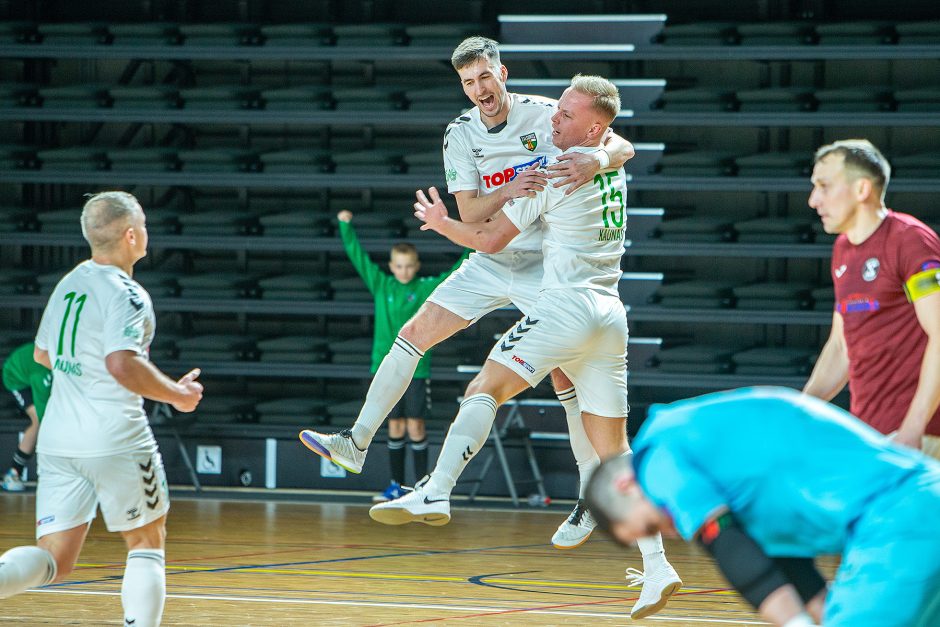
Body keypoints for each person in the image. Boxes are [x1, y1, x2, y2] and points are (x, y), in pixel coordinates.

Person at [301, 35, 637, 549]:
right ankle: (356, 441)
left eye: (485, 76)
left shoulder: (549, 114)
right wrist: (509, 187)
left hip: (545, 263)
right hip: (490, 255)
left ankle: (586, 497)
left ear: (502, 74)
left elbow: (618, 142)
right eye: (467, 82)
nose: (479, 88)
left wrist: (598, 160)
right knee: (415, 332)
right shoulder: (459, 134)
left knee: (568, 383)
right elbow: (472, 215)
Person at [370, 75, 681, 620]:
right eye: (556, 110)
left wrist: (442, 223)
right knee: (616, 454)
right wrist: (602, 154)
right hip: (610, 315)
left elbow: (489, 240)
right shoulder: (606, 162)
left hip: (565, 308)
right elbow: (617, 147)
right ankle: (657, 567)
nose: (553, 120)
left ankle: (436, 489)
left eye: (565, 114)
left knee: (484, 387)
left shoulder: (559, 170)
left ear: (593, 126)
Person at [0, 191, 203, 627]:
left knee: (55, 557)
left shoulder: (70, 282)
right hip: (115, 435)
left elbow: (41, 354)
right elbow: (121, 363)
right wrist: (177, 395)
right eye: (144, 224)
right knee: (147, 540)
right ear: (131, 235)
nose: (147, 231)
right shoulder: (128, 294)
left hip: (58, 439)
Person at [587, 386, 940, 627]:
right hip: (922, 501)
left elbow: (724, 542)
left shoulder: (656, 457)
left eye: (650, 526)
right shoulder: (712, 455)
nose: (673, 531)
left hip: (897, 521)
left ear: (627, 486)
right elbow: (794, 572)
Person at [803, 139, 940, 458]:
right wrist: (798, 411)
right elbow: (841, 346)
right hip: (872, 438)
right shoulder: (843, 249)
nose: (813, 200)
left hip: (920, 442)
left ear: (862, 189)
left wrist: (913, 429)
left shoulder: (910, 241)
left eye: (824, 186)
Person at [337, 209, 468, 501]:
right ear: (392, 266)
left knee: (415, 425)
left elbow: (456, 272)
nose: (404, 271)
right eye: (399, 266)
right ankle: (395, 485)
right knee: (394, 426)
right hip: (383, 367)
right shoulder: (383, 286)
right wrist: (345, 226)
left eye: (409, 266)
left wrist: (475, 243)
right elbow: (358, 257)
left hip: (417, 370)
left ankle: (420, 486)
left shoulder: (424, 288)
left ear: (416, 265)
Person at [1, 342, 51, 491]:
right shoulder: (42, 374)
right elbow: (44, 417)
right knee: (39, 422)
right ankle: (13, 473)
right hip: (15, 377)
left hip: (30, 369)